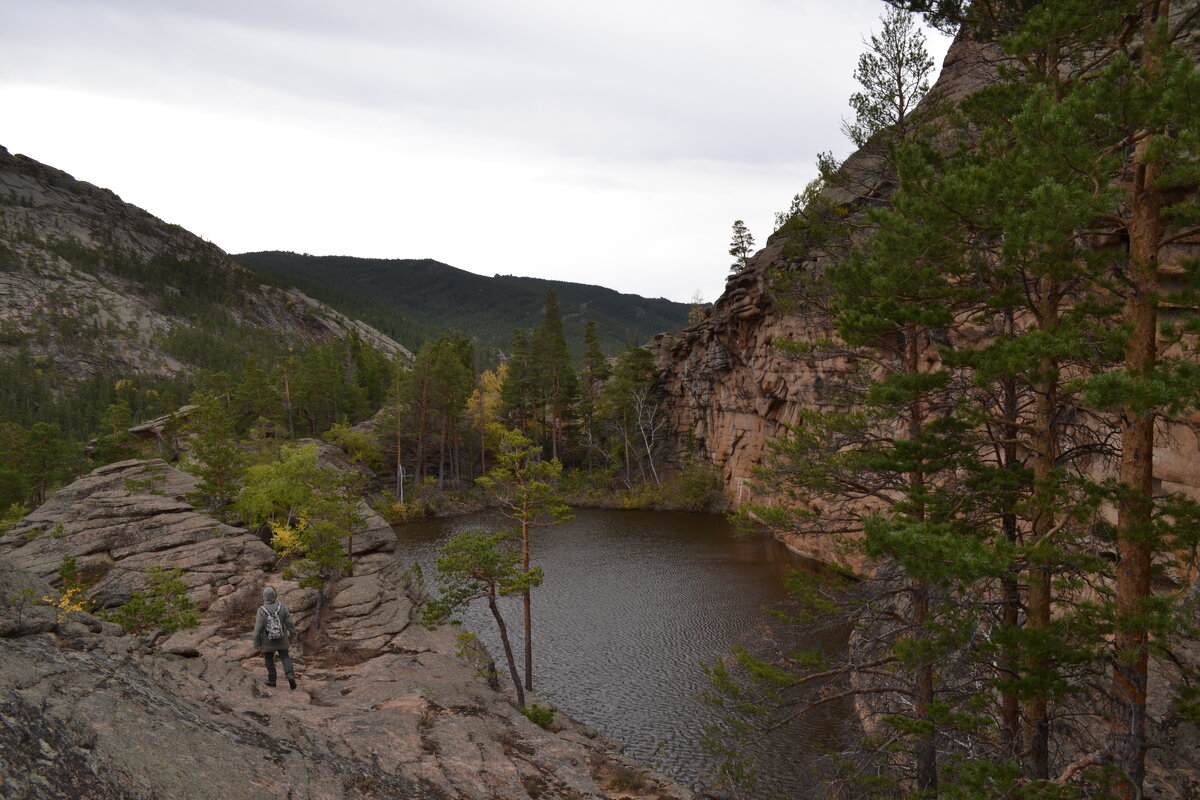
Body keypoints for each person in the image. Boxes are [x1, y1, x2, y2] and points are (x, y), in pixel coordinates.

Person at [253, 586, 299, 689]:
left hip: (267, 641)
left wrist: (256, 644)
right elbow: (290, 623)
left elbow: (257, 630)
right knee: (285, 657)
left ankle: (272, 681)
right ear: (275, 595)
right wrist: (293, 634)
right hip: (282, 639)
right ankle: (290, 676)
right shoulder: (282, 607)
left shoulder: (261, 611)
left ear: (263, 597)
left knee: (269, 659)